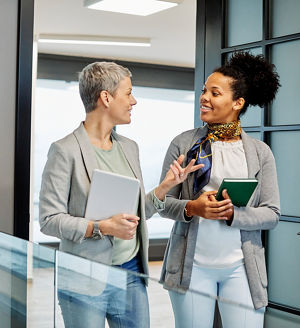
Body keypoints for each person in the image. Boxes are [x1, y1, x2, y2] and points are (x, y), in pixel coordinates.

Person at [38, 61, 203, 328]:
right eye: (128, 93)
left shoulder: (129, 147)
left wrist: (165, 186)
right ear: (106, 97)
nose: (133, 101)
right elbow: (48, 220)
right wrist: (102, 227)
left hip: (131, 273)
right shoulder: (64, 151)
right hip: (84, 278)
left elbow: (135, 212)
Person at [158, 52, 281, 328]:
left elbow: (272, 214)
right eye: (204, 91)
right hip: (191, 269)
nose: (204, 98)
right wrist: (192, 208)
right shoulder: (182, 144)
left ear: (238, 103)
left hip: (242, 270)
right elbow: (161, 202)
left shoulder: (260, 153)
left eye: (215, 93)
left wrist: (233, 215)